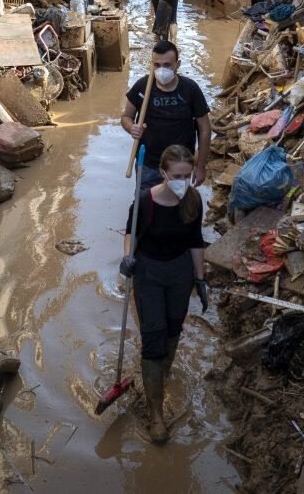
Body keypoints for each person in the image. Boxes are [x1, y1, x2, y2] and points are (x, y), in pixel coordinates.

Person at [120, 144, 208, 444]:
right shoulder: (146, 201)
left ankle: (162, 374)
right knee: (154, 338)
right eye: (177, 175)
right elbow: (130, 231)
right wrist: (127, 256)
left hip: (180, 272)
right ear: (163, 173)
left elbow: (196, 240)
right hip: (150, 273)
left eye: (187, 174)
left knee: (173, 330)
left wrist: (201, 280)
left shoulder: (193, 200)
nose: (183, 181)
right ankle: (156, 413)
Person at [122, 39, 210, 191]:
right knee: (146, 207)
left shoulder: (190, 90)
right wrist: (132, 128)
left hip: (180, 167)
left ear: (178, 64)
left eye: (167, 65)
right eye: (157, 65)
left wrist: (200, 166)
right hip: (148, 164)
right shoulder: (142, 86)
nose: (162, 70)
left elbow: (205, 129)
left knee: (177, 207)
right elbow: (126, 117)